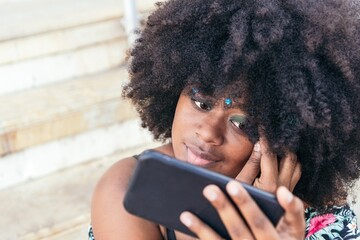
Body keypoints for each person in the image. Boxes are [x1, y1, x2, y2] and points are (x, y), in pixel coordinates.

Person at [88, 0, 360, 239]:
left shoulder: (325, 218)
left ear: (289, 135)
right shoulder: (129, 188)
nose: (208, 132)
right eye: (201, 102)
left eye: (243, 124)